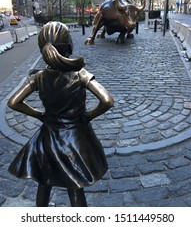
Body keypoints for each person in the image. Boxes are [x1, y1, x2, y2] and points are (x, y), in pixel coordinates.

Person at [7, 21, 114, 207]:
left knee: (44, 183)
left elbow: (13, 102)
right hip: (75, 139)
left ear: (43, 50)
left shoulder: (39, 77)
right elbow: (107, 101)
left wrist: (39, 115)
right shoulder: (80, 74)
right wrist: (88, 116)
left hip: (47, 138)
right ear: (69, 46)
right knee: (75, 186)